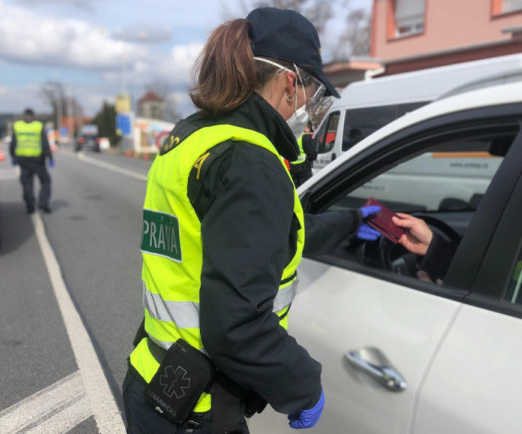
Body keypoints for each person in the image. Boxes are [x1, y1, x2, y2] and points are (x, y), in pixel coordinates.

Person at [123, 8, 380, 434]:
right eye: (314, 90)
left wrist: (351, 222)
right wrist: (302, 385)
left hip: (152, 379)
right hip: (199, 411)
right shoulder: (250, 162)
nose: (311, 105)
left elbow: (258, 240)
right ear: (290, 81)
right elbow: (236, 325)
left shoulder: (191, 137)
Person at [391, 180, 522, 321]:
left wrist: (437, 301)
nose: (509, 218)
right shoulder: (520, 254)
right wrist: (432, 245)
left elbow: (500, 320)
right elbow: (484, 278)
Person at [10, 108, 53, 214]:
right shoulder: (38, 126)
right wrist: (50, 157)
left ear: (24, 116)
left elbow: (13, 143)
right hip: (37, 160)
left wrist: (13, 157)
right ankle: (43, 204)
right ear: (33, 116)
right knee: (46, 181)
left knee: (27, 184)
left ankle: (30, 206)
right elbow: (44, 143)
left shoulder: (18, 126)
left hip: (23, 160)